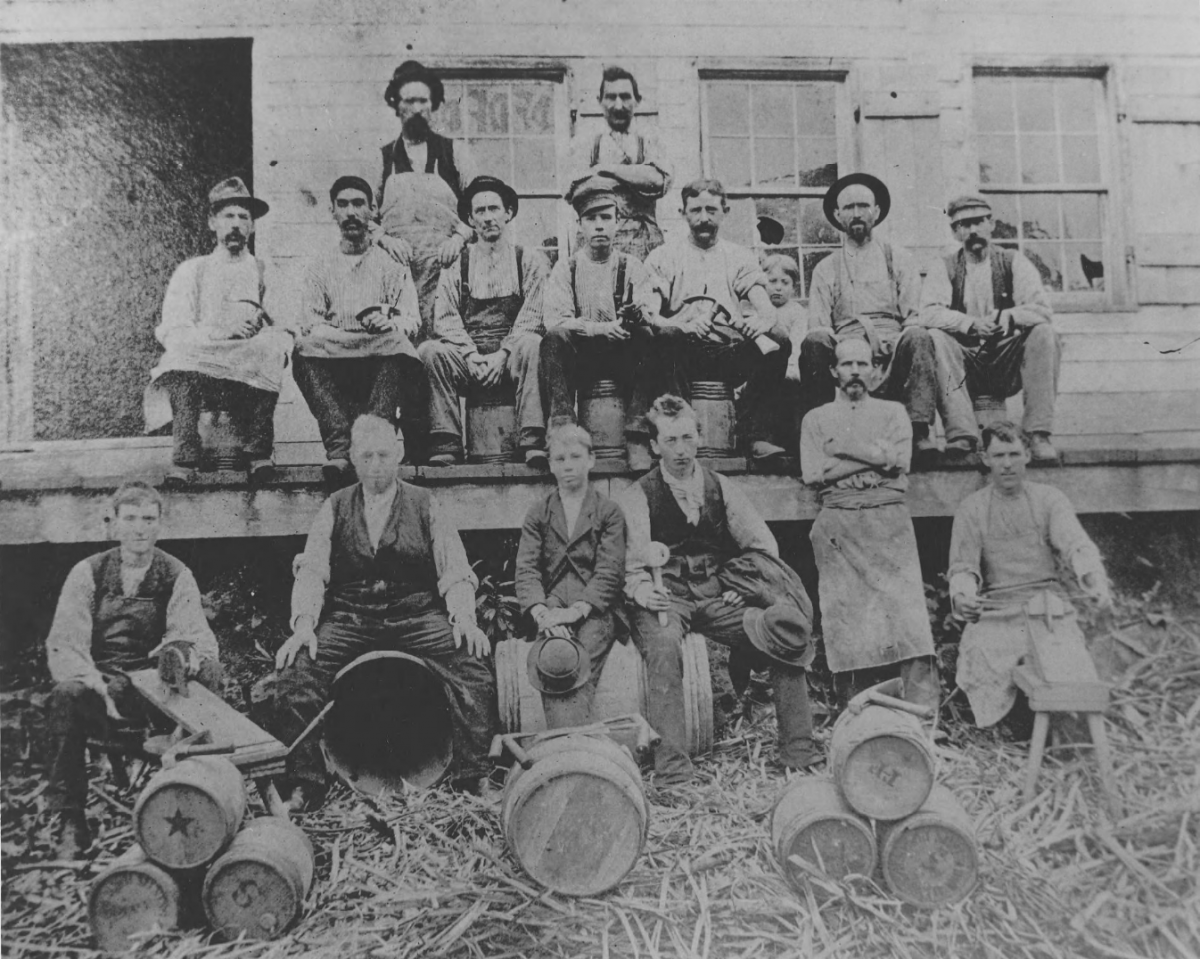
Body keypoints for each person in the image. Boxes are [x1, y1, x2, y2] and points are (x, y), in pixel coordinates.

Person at [272, 414, 496, 809]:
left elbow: (454, 569)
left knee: (472, 662)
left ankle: (471, 775)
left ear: (400, 453)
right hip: (352, 618)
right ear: (353, 459)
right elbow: (312, 569)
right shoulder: (335, 506)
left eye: (383, 455)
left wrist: (464, 619)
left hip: (417, 617)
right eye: (366, 456)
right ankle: (306, 782)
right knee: (297, 670)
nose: (376, 464)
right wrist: (305, 625)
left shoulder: (425, 504)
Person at [616, 395, 819, 783]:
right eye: (671, 441)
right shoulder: (638, 495)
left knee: (779, 628)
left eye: (688, 439)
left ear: (699, 439)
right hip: (666, 596)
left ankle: (799, 751)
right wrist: (643, 592)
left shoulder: (720, 488)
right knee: (662, 647)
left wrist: (741, 585)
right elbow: (630, 565)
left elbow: (762, 546)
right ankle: (673, 770)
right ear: (655, 445)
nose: (681, 450)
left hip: (714, 593)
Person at [43, 482, 222, 857]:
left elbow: (196, 638)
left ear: (159, 525)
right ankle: (70, 819)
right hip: (103, 687)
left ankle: (204, 796)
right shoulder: (88, 572)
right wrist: (96, 683)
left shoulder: (175, 574)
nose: (140, 528)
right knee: (64, 696)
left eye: (148, 519)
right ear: (114, 524)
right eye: (130, 519)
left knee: (210, 673)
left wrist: (177, 653)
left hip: (155, 692)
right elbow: (65, 642)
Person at [796, 174, 977, 468]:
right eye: (849, 207)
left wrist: (892, 342)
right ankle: (823, 432)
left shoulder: (899, 259)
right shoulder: (826, 268)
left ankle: (918, 431)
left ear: (876, 213)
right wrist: (847, 349)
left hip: (892, 352)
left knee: (920, 335)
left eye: (863, 206)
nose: (857, 213)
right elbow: (818, 325)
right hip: (846, 350)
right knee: (814, 341)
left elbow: (913, 317)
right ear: (837, 215)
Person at [800, 338, 940, 713]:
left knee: (905, 613)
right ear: (834, 371)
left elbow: (900, 462)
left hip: (888, 519)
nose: (856, 372)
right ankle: (858, 711)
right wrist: (874, 456)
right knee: (848, 615)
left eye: (863, 364)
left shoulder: (894, 413)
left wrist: (841, 452)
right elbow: (813, 473)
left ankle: (921, 713)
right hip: (839, 523)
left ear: (876, 371)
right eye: (847, 365)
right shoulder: (816, 419)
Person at [949, 421, 1112, 728]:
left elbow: (1075, 544)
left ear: (1027, 455)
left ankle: (1064, 731)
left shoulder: (1049, 499)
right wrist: (963, 598)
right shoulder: (972, 508)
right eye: (998, 456)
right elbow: (962, 566)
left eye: (1014, 454)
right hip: (998, 610)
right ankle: (1008, 729)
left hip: (1046, 608)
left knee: (1068, 672)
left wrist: (1094, 580)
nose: (1007, 464)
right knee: (981, 653)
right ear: (985, 458)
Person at [145, 177, 292, 485]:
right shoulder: (192, 270)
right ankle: (185, 460)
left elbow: (286, 327)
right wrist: (218, 334)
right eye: (228, 216)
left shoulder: (264, 272)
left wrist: (260, 335)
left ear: (252, 226)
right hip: (203, 367)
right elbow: (173, 329)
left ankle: (258, 454)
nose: (236, 224)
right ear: (213, 222)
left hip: (247, 370)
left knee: (271, 348)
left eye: (243, 217)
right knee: (178, 355)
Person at [644, 180, 793, 463]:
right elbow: (651, 316)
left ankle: (753, 433)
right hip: (681, 352)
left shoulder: (739, 256)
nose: (704, 218)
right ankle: (680, 435)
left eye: (711, 210)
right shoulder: (664, 256)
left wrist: (761, 322)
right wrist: (682, 325)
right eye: (696, 210)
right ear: (682, 212)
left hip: (726, 353)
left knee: (778, 340)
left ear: (724, 211)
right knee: (665, 338)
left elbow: (767, 309)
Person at [540, 174, 678, 468]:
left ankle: (638, 433)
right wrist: (600, 328)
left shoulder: (632, 266)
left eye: (606, 217)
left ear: (618, 222)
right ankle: (564, 431)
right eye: (591, 219)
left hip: (622, 357)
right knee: (553, 341)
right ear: (580, 225)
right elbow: (555, 320)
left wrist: (635, 315)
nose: (599, 225)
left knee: (647, 336)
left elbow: (648, 312)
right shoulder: (567, 268)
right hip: (582, 359)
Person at [293, 176, 423, 488]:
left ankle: (374, 444)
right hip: (336, 360)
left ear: (373, 209)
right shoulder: (319, 266)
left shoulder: (391, 265)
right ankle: (339, 448)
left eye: (358, 204)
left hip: (378, 360)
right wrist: (344, 335)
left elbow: (411, 319)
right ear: (332, 212)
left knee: (399, 347)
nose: (351, 212)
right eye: (343, 204)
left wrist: (388, 323)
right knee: (302, 348)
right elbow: (311, 321)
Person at [918, 194, 1060, 463]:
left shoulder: (1013, 261)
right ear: (954, 231)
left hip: (1005, 364)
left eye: (978, 222)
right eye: (964, 225)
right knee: (935, 336)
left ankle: (1038, 434)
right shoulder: (944, 267)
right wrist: (970, 325)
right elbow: (927, 313)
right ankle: (961, 434)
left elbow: (1042, 310)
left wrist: (1007, 317)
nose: (972, 231)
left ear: (991, 224)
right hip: (963, 366)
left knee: (1044, 333)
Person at [420, 175, 550, 468]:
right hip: (471, 359)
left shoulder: (527, 260)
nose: (488, 218)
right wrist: (472, 355)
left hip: (511, 354)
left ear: (509, 213)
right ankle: (446, 443)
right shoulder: (458, 264)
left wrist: (504, 354)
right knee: (430, 352)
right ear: (470, 218)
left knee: (533, 344)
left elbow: (534, 314)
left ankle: (532, 441)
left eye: (494, 209)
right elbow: (446, 317)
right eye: (480, 211)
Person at [514, 421, 627, 729]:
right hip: (551, 607)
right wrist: (542, 614)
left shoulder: (608, 512)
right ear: (550, 465)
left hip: (595, 610)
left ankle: (571, 749)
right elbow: (526, 570)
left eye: (576, 457)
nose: (568, 466)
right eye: (560, 459)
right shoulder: (539, 513)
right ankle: (569, 748)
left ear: (590, 460)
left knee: (580, 659)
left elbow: (609, 572)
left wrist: (576, 612)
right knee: (551, 660)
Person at [378, 60, 476, 336]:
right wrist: (386, 240)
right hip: (397, 272)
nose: (417, 109)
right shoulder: (383, 158)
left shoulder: (455, 153)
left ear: (434, 106)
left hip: (445, 269)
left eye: (424, 101)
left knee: (440, 344)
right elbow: (367, 218)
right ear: (397, 106)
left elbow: (478, 210)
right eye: (410, 101)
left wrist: (458, 239)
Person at [567, 65, 672, 260]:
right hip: (595, 245)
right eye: (610, 97)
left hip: (644, 242)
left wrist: (606, 170)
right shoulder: (584, 143)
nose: (618, 105)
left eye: (625, 97)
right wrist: (637, 176)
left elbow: (658, 181)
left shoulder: (651, 139)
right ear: (599, 101)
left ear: (637, 100)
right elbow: (579, 190)